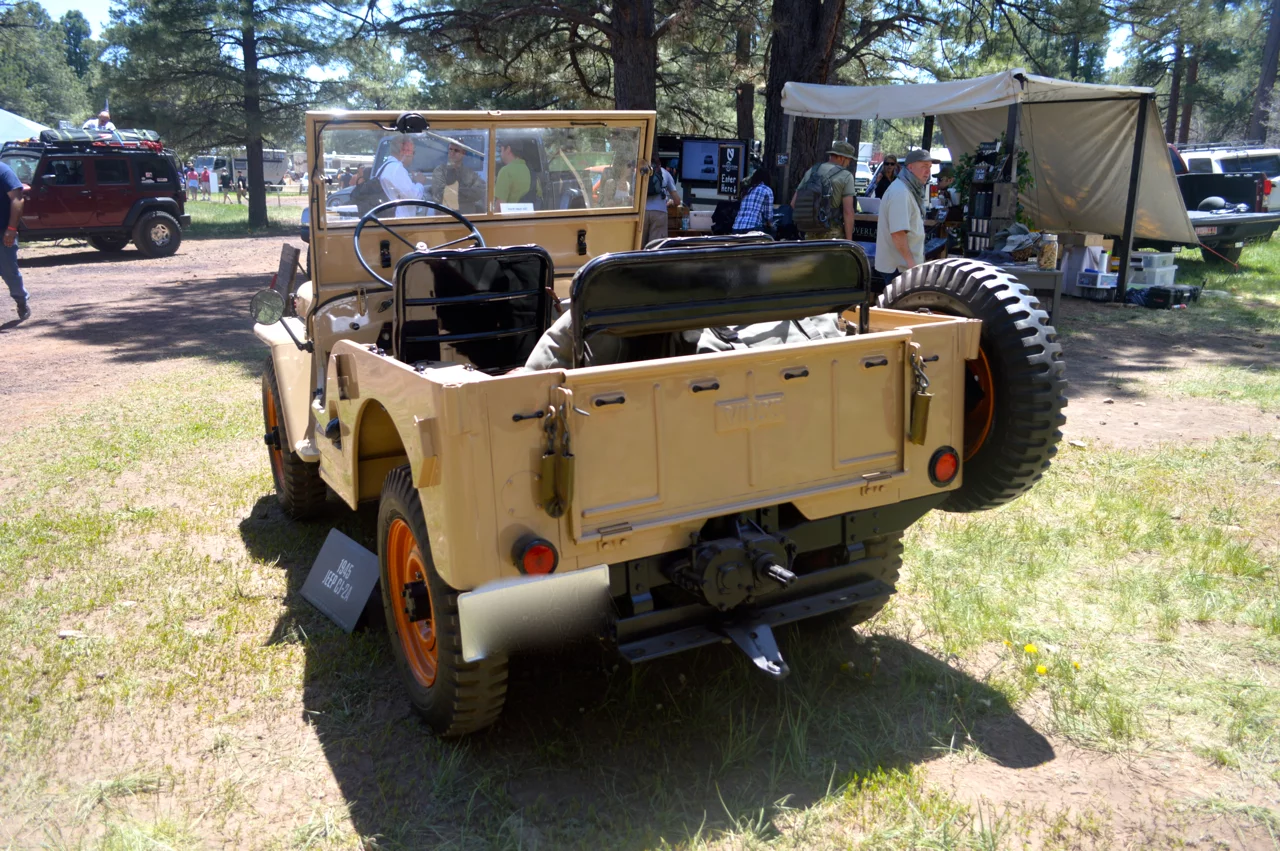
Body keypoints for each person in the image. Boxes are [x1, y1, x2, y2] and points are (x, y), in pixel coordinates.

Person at [875, 148, 936, 288]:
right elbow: (898, 234)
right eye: (924, 167)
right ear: (910, 167)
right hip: (900, 269)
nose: (928, 172)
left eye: (929, 167)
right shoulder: (900, 192)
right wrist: (912, 267)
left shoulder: (907, 189)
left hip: (903, 268)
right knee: (897, 309)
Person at [790, 141, 858, 241]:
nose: (848, 164)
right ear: (842, 158)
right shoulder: (846, 176)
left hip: (809, 234)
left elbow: (793, 203)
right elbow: (848, 212)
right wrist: (849, 241)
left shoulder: (811, 171)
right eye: (849, 160)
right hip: (832, 234)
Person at [0, 159, 28, 321]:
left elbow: (17, 198)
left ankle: (21, 299)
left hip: (3, 232)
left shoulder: (3, 170)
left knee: (9, 271)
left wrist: (11, 229)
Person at [379, 136, 427, 217]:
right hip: (399, 221)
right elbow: (413, 197)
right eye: (413, 152)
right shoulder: (396, 169)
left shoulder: (386, 166)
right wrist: (420, 183)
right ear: (405, 151)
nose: (413, 156)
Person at [431, 141, 484, 213]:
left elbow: (480, 191)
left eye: (456, 150)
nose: (452, 153)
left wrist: (453, 191)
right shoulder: (440, 171)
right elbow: (440, 194)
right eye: (450, 149)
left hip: (467, 219)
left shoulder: (469, 173)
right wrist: (467, 192)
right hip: (447, 218)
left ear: (463, 153)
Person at [642, 155, 680, 245]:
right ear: (659, 164)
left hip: (642, 213)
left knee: (639, 246)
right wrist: (670, 203)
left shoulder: (641, 172)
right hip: (660, 213)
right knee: (656, 247)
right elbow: (677, 201)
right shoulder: (665, 173)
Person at [732, 168, 774, 233]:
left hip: (736, 226)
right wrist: (770, 224)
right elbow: (768, 215)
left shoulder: (747, 189)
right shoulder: (767, 190)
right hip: (753, 227)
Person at [493, 140, 531, 209]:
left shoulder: (505, 171)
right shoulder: (529, 170)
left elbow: (500, 207)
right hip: (529, 217)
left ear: (508, 149)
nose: (500, 154)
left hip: (511, 218)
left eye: (501, 151)